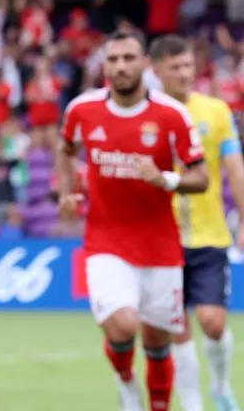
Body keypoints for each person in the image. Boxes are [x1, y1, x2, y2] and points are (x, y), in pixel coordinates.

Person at [57, 30, 209, 411]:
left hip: (160, 245)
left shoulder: (172, 115)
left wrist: (165, 179)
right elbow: (66, 148)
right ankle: (125, 381)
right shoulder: (82, 110)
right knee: (124, 325)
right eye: (113, 60)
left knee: (157, 340)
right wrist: (66, 192)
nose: (120, 67)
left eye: (128, 59)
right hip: (106, 241)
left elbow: (201, 176)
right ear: (104, 66)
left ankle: (157, 405)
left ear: (145, 64)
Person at [149, 35, 242, 411]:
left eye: (188, 65)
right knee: (177, 327)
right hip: (162, 238)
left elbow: (235, 169)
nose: (185, 74)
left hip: (210, 235)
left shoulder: (217, 112)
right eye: (175, 67)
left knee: (213, 321)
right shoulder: (147, 114)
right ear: (157, 71)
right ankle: (192, 404)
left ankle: (220, 386)